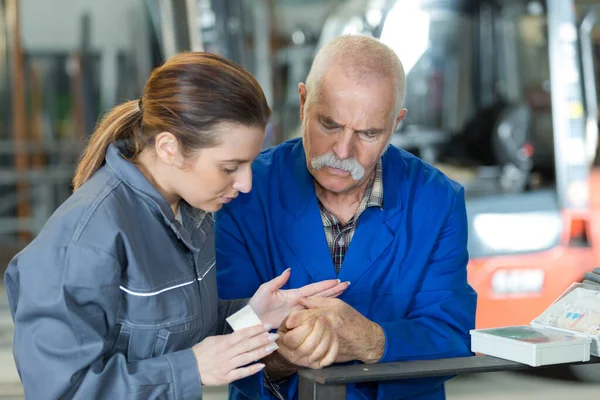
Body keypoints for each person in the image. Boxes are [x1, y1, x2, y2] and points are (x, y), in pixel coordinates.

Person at [4, 52, 348, 399]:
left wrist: (253, 315)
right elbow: (59, 390)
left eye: (248, 164)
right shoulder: (84, 240)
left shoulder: (190, 213)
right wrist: (192, 369)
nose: (245, 184)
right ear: (169, 148)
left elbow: (173, 331)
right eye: (230, 167)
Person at [215, 35, 478, 400]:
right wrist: (280, 356)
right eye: (329, 124)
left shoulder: (437, 201)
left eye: (369, 133)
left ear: (396, 123)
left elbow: (453, 336)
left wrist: (373, 341)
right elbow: (225, 324)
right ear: (304, 102)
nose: (342, 151)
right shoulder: (243, 191)